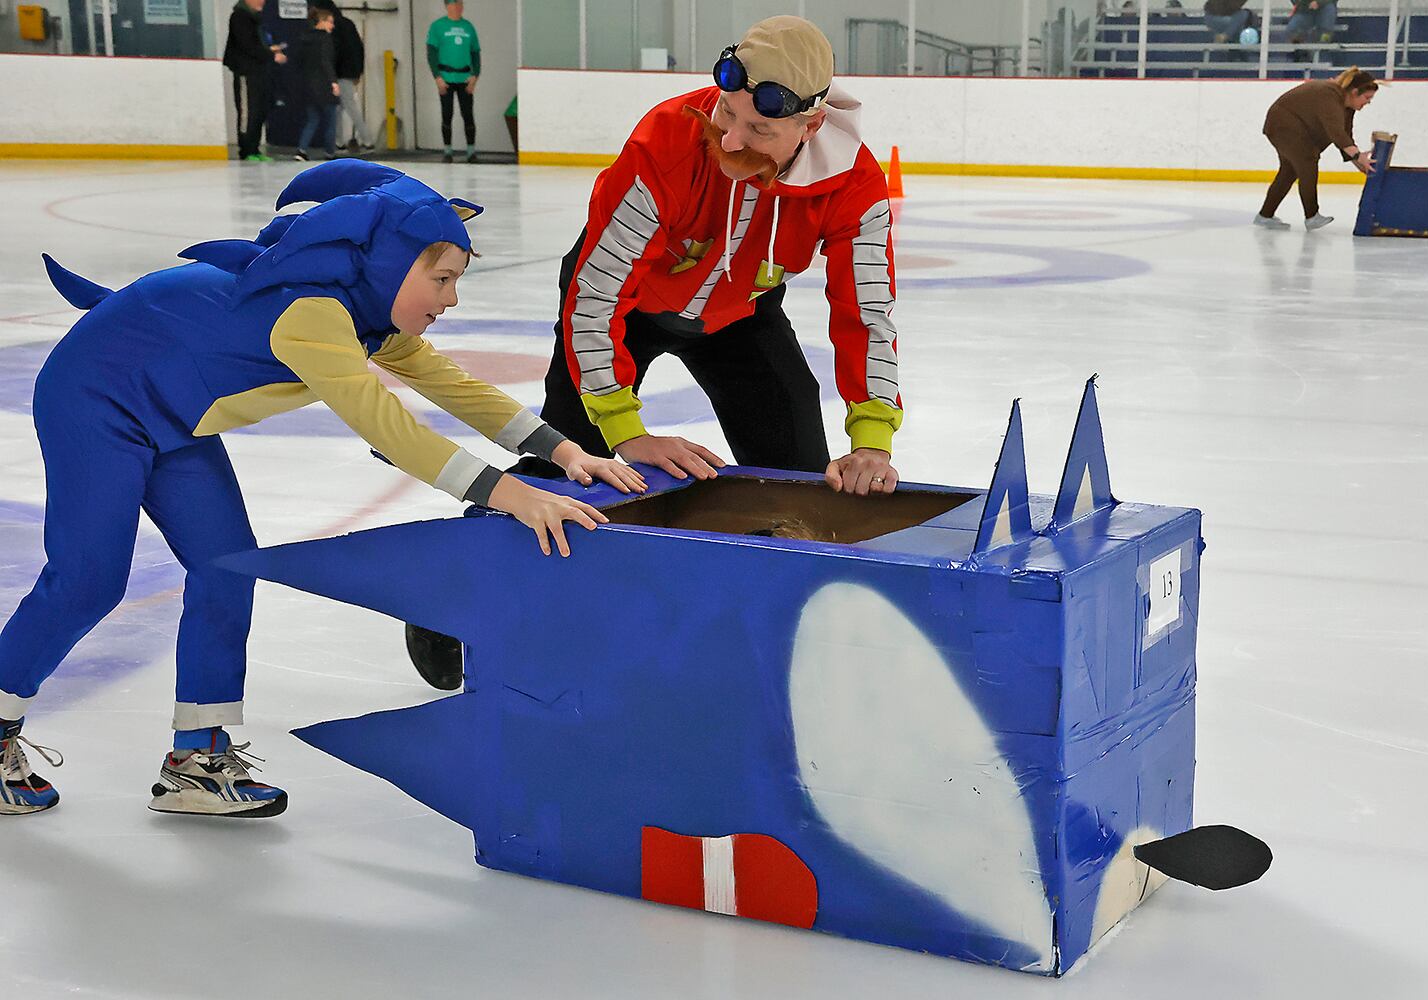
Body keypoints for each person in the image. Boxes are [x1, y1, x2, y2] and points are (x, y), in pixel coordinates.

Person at [0, 161, 643, 818]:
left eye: (457, 280)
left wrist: (565, 452)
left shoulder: (363, 309)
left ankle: (197, 758)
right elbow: (388, 427)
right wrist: (511, 493)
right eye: (442, 278)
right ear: (391, 264)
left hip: (169, 413)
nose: (451, 299)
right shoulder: (311, 313)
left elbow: (454, 387)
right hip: (95, 396)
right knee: (89, 578)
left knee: (226, 566)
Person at [402, 16, 906, 688]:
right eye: (726, 114)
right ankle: (450, 594)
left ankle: (778, 642)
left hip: (739, 315)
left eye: (758, 131)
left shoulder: (855, 183)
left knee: (797, 486)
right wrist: (623, 429)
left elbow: (867, 312)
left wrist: (873, 436)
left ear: (809, 128)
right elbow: (595, 296)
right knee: (569, 465)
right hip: (625, 307)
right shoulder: (669, 136)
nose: (729, 138)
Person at [1254, 67, 1377, 231]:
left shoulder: (1347, 106)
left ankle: (1265, 215)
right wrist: (1357, 156)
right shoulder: (1329, 94)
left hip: (1292, 129)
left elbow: (1345, 135)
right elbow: (1336, 132)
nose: (1368, 102)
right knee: (1308, 162)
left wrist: (1358, 162)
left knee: (1289, 171)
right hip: (1283, 125)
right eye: (1367, 97)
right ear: (1354, 92)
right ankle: (1312, 216)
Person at [222, 0, 286, 162]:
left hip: (259, 72)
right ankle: (246, 150)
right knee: (247, 113)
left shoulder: (255, 18)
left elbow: (256, 43)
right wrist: (272, 55)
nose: (263, 2)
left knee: (259, 111)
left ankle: (255, 148)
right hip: (245, 72)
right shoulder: (239, 17)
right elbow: (247, 45)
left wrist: (270, 49)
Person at [312, 0, 373, 153]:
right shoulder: (349, 23)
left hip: (338, 73)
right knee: (344, 107)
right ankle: (351, 140)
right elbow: (359, 48)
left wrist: (331, 76)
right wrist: (358, 71)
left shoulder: (331, 29)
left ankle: (362, 140)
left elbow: (333, 54)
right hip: (350, 72)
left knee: (342, 107)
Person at [427, 1, 481, 163]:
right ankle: (447, 150)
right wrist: (437, 77)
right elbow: (432, 54)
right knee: (447, 114)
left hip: (464, 78)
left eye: (460, 5)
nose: (457, 8)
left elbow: (476, 53)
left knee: (468, 114)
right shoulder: (438, 27)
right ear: (447, 6)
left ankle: (471, 151)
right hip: (446, 77)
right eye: (454, 5)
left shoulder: (468, 27)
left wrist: (475, 76)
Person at [294, 7, 341, 161]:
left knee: (312, 120)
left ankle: (301, 150)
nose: (332, 26)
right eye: (330, 22)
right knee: (330, 121)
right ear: (321, 22)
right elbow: (326, 61)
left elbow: (299, 63)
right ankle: (330, 152)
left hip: (308, 85)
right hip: (324, 85)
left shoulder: (303, 39)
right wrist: (333, 82)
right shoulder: (325, 39)